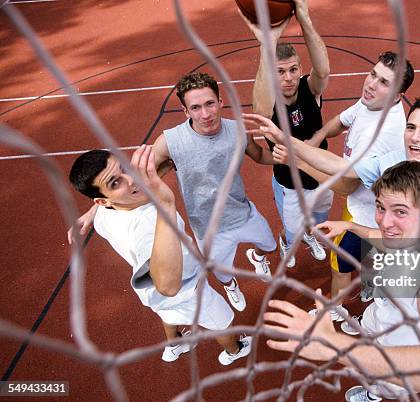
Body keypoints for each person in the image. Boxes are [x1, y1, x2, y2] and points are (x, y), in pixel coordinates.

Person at [69, 72, 278, 312]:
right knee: (223, 273)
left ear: (221, 102)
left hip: (243, 212)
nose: (206, 114)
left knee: (269, 245)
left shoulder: (238, 130)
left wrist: (292, 156)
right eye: (196, 107)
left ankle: (257, 257)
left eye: (210, 103)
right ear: (186, 111)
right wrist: (92, 211)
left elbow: (260, 155)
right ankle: (231, 286)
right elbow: (131, 180)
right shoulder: (171, 141)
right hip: (207, 228)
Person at [264, 161, 420, 401]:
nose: (384, 222)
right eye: (381, 207)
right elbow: (383, 237)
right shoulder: (408, 233)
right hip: (386, 315)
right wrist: (349, 225)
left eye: (400, 211)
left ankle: (374, 395)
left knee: (381, 382)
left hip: (403, 349)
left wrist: (333, 344)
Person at [245, 51, 415, 320]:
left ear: (396, 96)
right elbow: (342, 120)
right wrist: (317, 137)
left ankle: (334, 311)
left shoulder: (381, 134)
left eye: (384, 82)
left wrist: (297, 159)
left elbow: (346, 186)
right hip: (372, 206)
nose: (371, 84)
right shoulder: (371, 104)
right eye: (373, 74)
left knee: (339, 265)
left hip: (370, 214)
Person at [249, 97, 420, 273]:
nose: (415, 137)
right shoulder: (392, 161)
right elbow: (339, 167)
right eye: (411, 127)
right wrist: (285, 138)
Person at [68, 146, 252, 365]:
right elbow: (167, 285)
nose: (132, 179)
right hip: (188, 288)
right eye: (115, 183)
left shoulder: (103, 215)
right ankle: (235, 350)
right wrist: (167, 203)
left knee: (168, 315)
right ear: (103, 200)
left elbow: (123, 196)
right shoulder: (149, 222)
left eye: (124, 168)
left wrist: (91, 212)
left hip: (151, 295)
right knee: (223, 323)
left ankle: (175, 345)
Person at [241, 0, 331, 269]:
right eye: (279, 71)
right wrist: (266, 47)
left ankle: (308, 236)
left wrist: (304, 19)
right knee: (292, 232)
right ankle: (287, 242)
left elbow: (323, 71)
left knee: (317, 221)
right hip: (291, 186)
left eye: (293, 69)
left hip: (322, 177)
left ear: (301, 70)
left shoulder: (310, 90)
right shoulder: (269, 104)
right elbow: (259, 109)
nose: (288, 77)